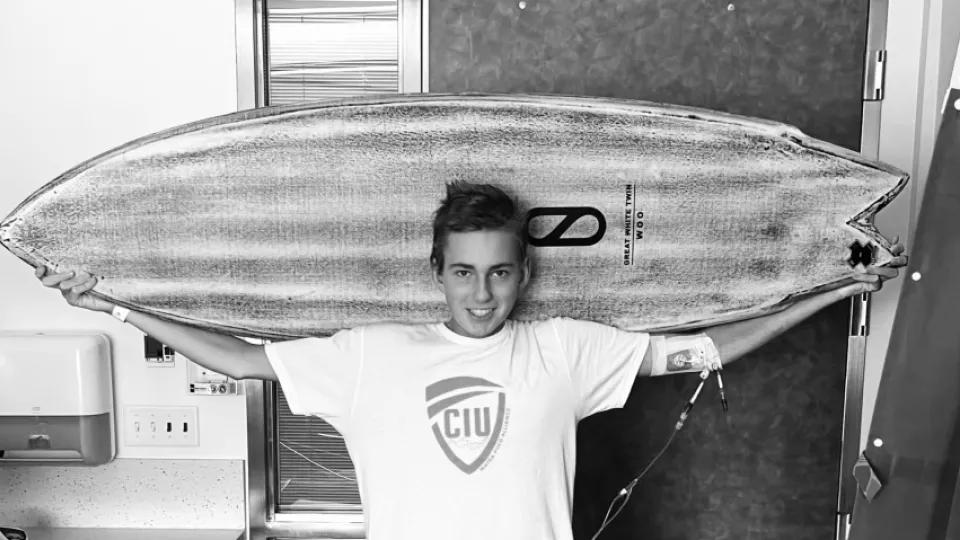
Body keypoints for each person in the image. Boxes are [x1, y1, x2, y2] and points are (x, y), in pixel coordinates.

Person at [35, 181, 906, 540]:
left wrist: (837, 289)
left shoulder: (565, 348)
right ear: (437, 275)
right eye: (463, 273)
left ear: (523, 276)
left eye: (498, 273)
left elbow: (706, 349)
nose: (482, 295)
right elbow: (242, 359)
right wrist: (110, 303)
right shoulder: (370, 354)